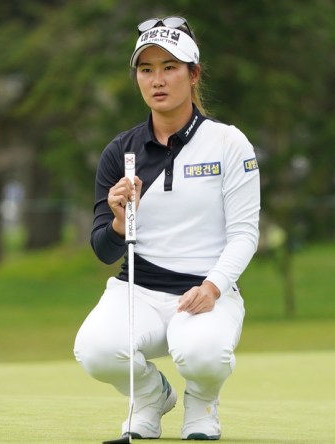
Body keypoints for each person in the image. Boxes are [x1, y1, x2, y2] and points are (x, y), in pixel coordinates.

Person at [74, 16, 260, 441]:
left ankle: (201, 403)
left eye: (170, 67)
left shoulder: (229, 144)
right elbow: (104, 250)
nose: (157, 80)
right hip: (137, 290)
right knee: (97, 352)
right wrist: (120, 220)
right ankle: (151, 396)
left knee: (204, 355)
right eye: (146, 69)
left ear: (193, 75)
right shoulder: (120, 151)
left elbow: (245, 233)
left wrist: (213, 287)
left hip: (206, 291)